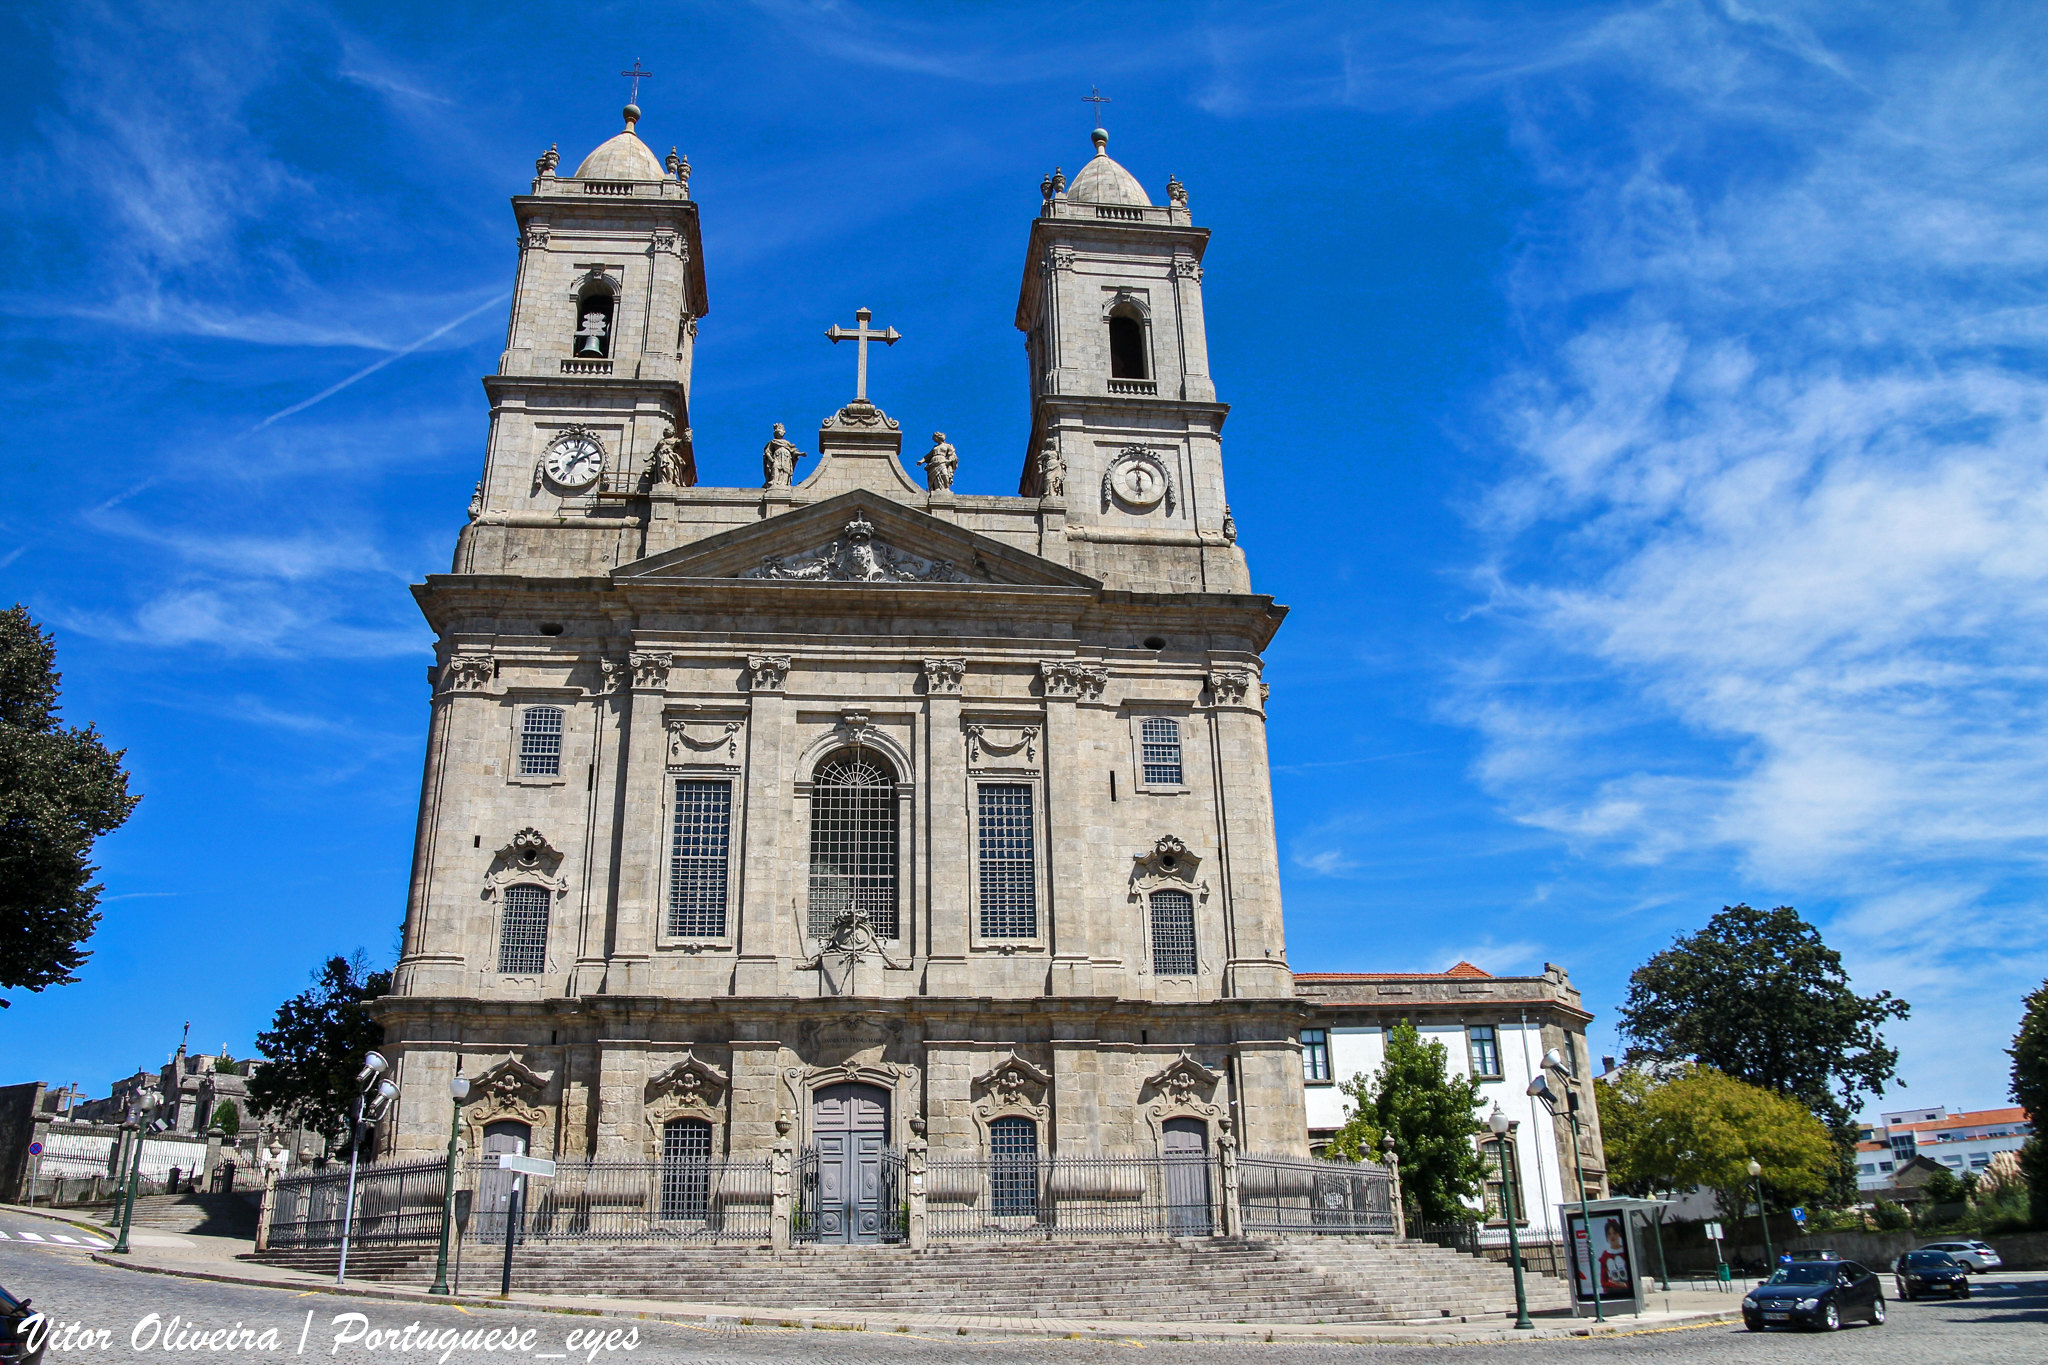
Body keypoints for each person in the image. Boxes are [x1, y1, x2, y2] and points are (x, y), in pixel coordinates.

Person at [762, 423, 807, 488]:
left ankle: (784, 483)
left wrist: (800, 454)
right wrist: (771, 459)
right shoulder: (773, 442)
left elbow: (793, 452)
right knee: (775, 468)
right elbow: (767, 451)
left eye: (781, 430)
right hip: (777, 457)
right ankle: (774, 481)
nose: (780, 432)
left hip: (787, 458)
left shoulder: (787, 443)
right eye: (778, 430)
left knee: (786, 470)